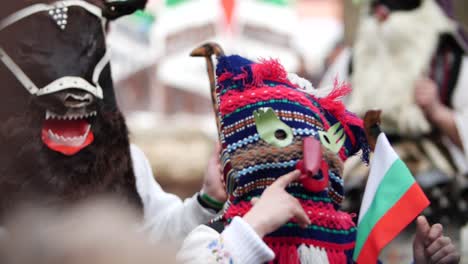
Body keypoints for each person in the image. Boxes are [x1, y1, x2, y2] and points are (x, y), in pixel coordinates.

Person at [178, 51, 460, 263]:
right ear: (232, 170)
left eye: (319, 145)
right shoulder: (212, 238)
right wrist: (256, 224)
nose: (308, 162)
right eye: (280, 138)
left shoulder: (345, 245)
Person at [321, 0, 468, 222]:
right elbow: (319, 116)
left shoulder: (450, 58)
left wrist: (437, 111)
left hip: (434, 186)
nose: (382, 15)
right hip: (358, 174)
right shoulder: (353, 57)